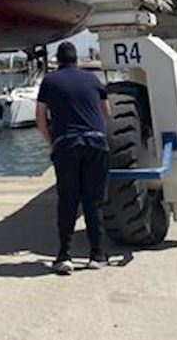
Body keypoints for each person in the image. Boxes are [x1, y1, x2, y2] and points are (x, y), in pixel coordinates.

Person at [35, 41, 112, 274]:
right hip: (96, 144)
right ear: (76, 59)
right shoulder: (93, 80)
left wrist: (52, 143)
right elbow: (107, 113)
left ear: (58, 60)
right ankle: (96, 255)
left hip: (66, 145)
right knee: (93, 200)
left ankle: (64, 256)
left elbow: (40, 116)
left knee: (68, 200)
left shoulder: (50, 81)